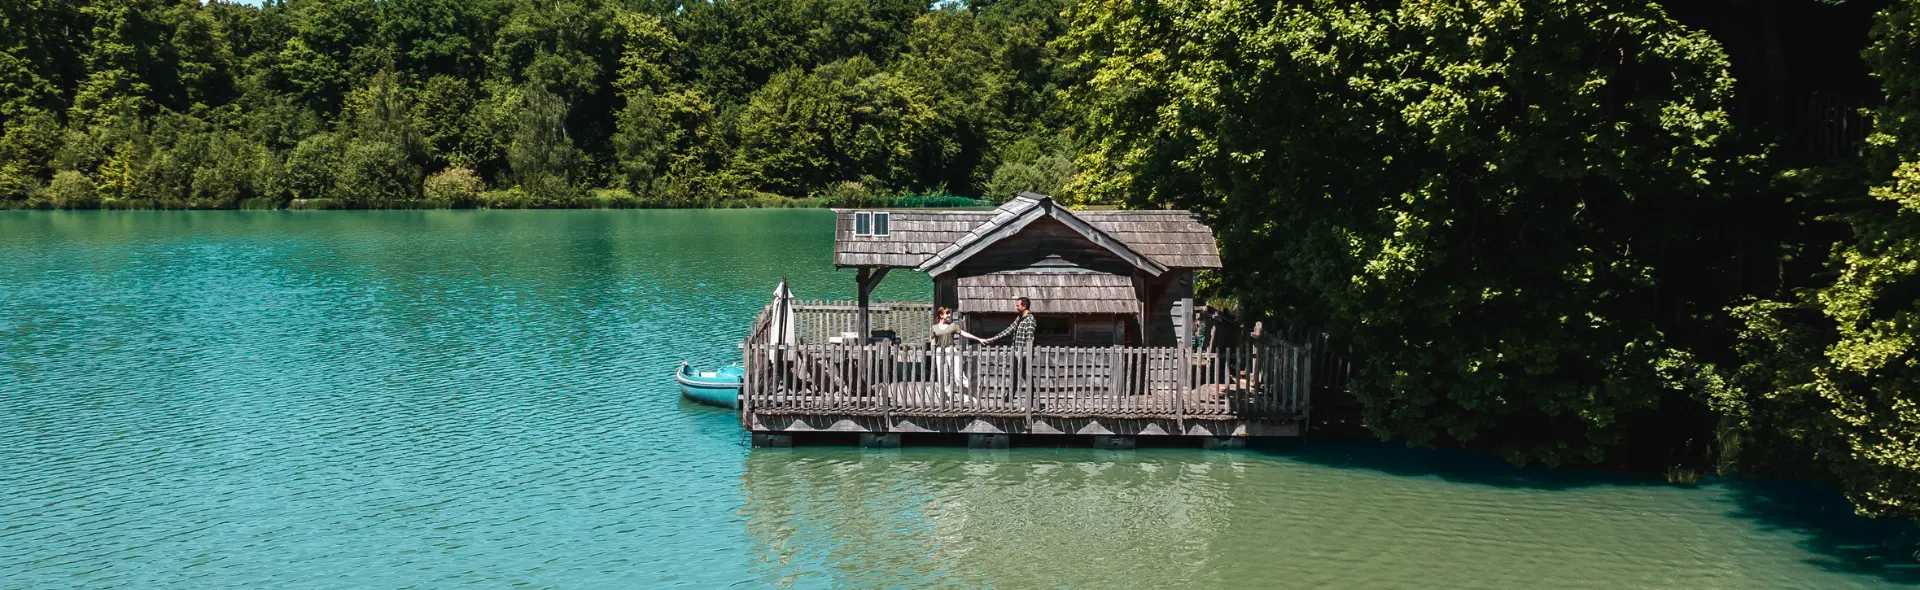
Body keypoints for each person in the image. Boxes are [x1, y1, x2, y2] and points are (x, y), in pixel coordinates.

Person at [984, 297, 1037, 401]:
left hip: (1025, 353)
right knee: (1014, 374)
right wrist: (994, 338)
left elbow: (1030, 338)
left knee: (1026, 376)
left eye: (1018, 305)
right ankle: (1009, 397)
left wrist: (1027, 354)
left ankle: (1030, 399)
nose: (1016, 307)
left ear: (1024, 306)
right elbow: (1009, 329)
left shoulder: (1030, 320)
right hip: (1017, 351)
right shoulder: (1019, 318)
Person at [930, 307, 986, 394]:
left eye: (949, 313)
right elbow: (933, 341)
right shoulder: (934, 327)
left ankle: (969, 395)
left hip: (951, 349)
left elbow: (964, 333)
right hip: (939, 351)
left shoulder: (953, 326)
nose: (949, 315)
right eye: (947, 313)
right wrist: (933, 354)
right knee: (942, 376)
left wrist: (979, 339)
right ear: (941, 315)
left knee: (958, 374)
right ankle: (945, 400)